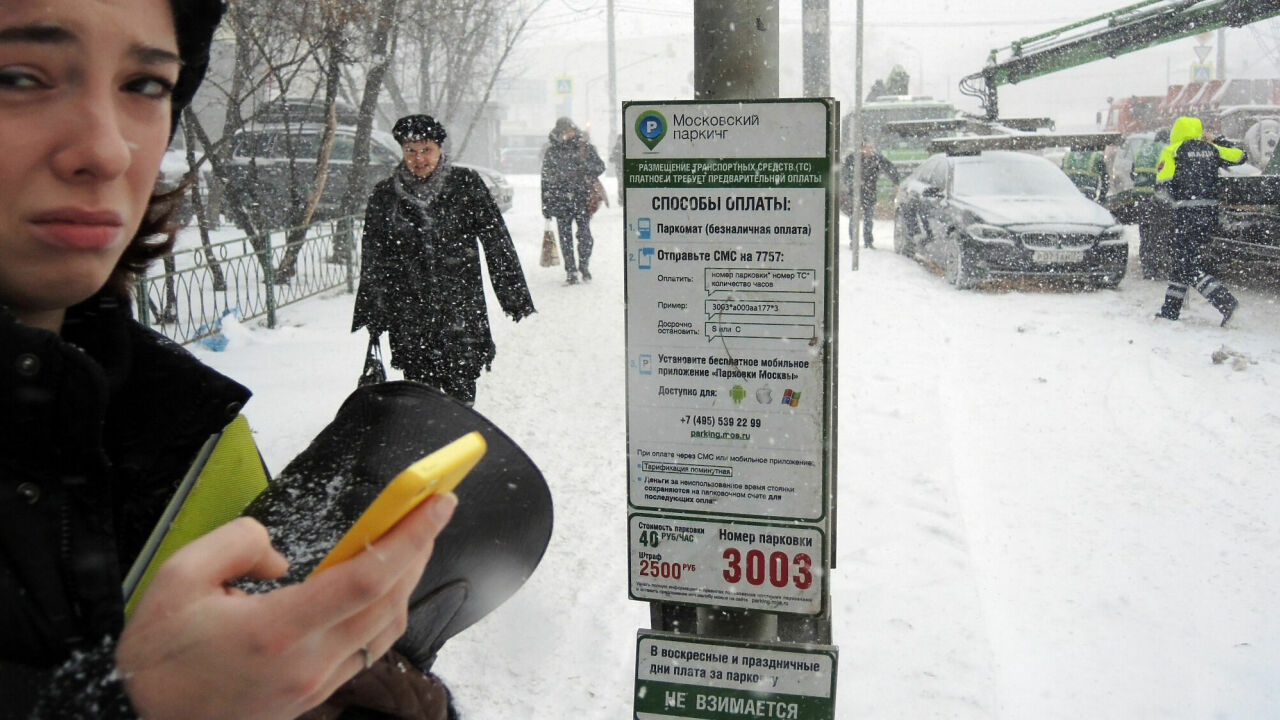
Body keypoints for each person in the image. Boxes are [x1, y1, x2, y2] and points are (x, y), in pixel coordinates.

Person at [0, 1, 458, 717]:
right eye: (20, 76)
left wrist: (343, 685)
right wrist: (145, 705)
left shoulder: (179, 423)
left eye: (146, 85)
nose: (109, 149)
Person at [352, 114, 535, 406]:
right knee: (420, 394)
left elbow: (496, 240)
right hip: (410, 314)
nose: (418, 158)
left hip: (461, 310)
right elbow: (375, 256)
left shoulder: (467, 185)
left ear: (439, 149)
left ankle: (459, 440)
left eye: (426, 150)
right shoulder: (386, 195)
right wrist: (374, 310)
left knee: (461, 392)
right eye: (410, 151)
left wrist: (513, 295)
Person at [1153, 115, 1245, 325]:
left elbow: (1162, 189)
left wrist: (1172, 207)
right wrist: (1216, 140)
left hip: (1186, 214)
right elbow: (1241, 157)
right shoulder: (1212, 149)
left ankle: (1225, 301)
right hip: (1209, 214)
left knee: (1186, 264)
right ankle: (1170, 312)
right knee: (1182, 262)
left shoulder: (1172, 150)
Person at [540, 117, 605, 284]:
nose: (569, 134)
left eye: (571, 130)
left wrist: (585, 169)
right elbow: (545, 180)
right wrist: (546, 205)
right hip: (559, 200)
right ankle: (571, 271)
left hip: (581, 198)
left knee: (585, 237)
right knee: (565, 238)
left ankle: (584, 265)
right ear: (558, 133)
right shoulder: (552, 151)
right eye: (565, 131)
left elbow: (600, 166)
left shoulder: (585, 147)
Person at [842, 142, 900, 248]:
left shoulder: (876, 159)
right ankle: (853, 241)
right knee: (854, 218)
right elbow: (845, 174)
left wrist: (896, 182)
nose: (869, 150)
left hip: (870, 192)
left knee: (868, 218)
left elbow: (889, 168)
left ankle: (868, 242)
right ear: (861, 148)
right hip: (855, 192)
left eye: (871, 147)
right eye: (867, 147)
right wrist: (854, 180)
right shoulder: (852, 159)